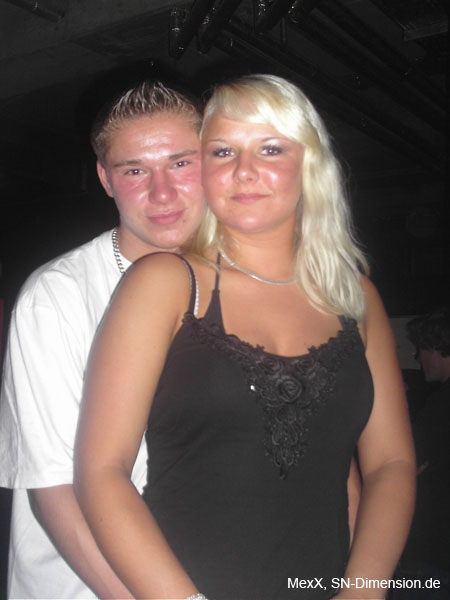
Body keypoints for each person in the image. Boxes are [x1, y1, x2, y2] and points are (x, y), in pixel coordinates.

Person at [74, 74, 416, 599]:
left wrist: (363, 590)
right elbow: (101, 473)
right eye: (223, 151)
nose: (244, 170)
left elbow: (391, 463)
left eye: (270, 148)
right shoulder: (164, 284)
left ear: (310, 163)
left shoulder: (356, 297)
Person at [0, 80, 206, 599]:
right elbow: (55, 490)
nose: (162, 192)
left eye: (181, 163)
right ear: (105, 179)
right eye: (134, 171)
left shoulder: (244, 285)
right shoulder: (57, 296)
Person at [392, 308, 450, 598]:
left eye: (421, 349)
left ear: (437, 347)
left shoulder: (441, 406)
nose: (417, 357)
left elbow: (402, 466)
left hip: (430, 555)